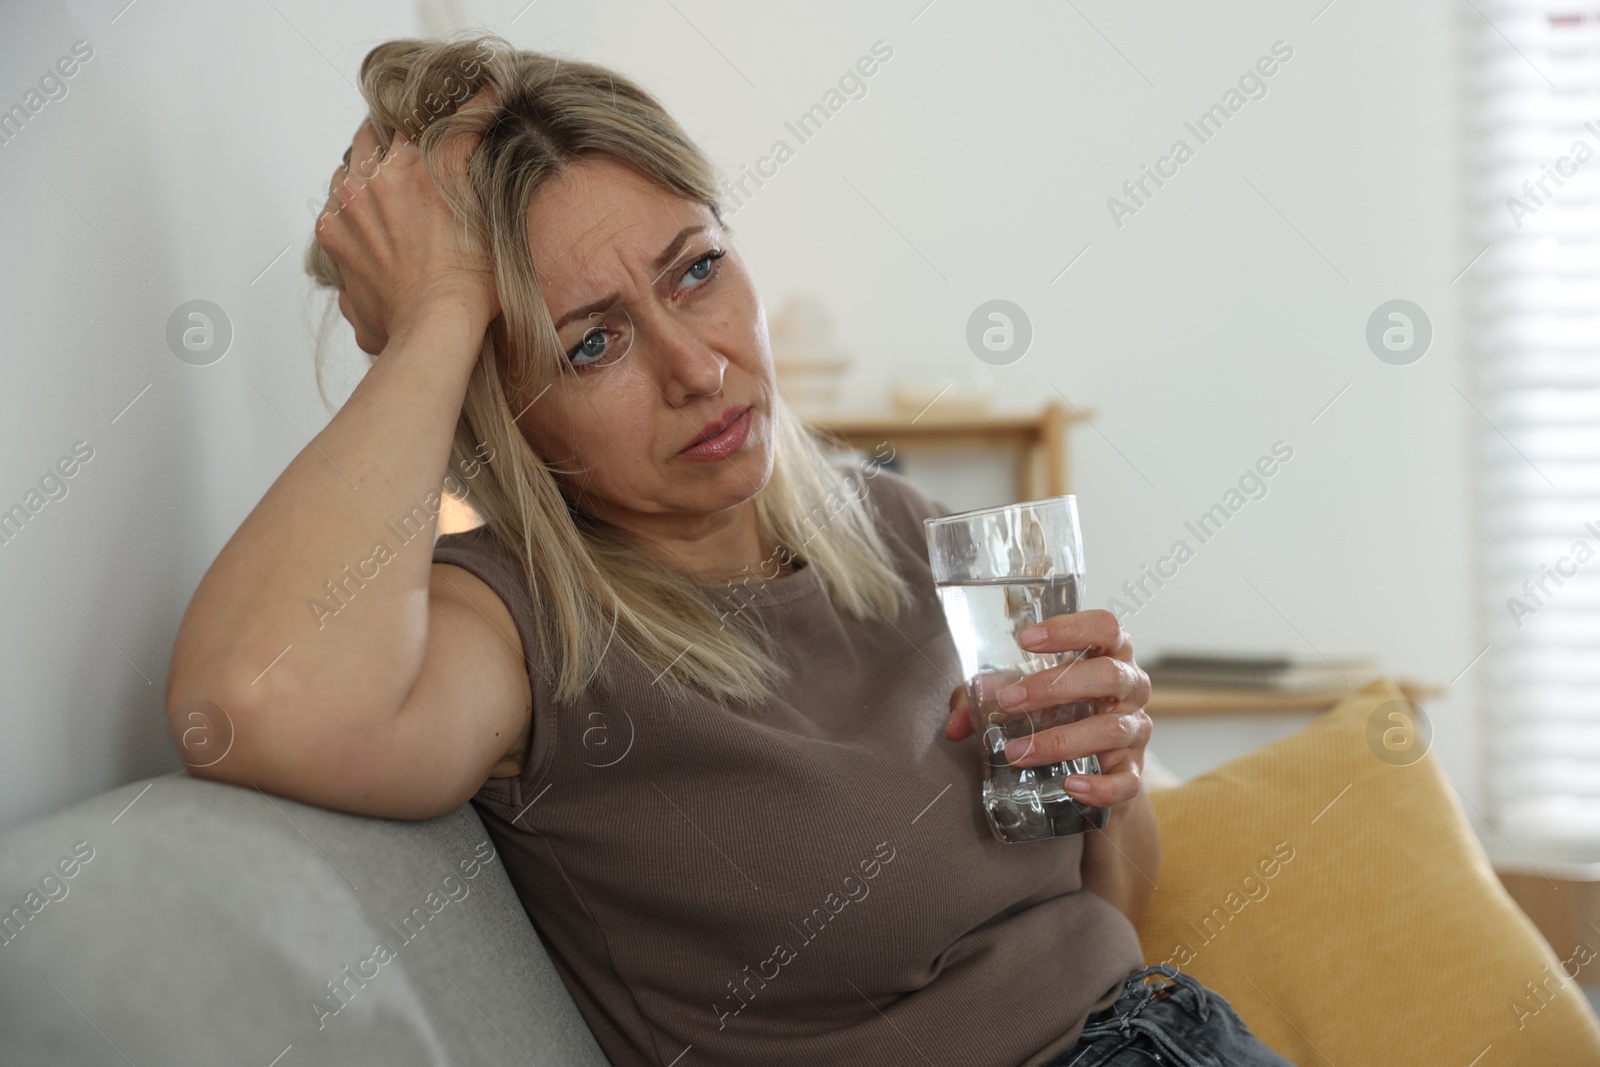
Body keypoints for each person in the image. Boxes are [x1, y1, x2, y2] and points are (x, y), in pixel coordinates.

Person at [164, 31, 1296, 1067]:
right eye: (593, 342)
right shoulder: (525, 635)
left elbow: (1102, 917)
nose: (696, 366)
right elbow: (249, 704)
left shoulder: (893, 523)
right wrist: (438, 316)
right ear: (499, 408)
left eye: (696, 268)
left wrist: (1107, 777)